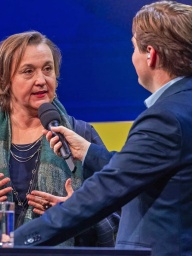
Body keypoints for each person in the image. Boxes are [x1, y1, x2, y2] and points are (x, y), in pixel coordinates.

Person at [14, 1, 192, 255]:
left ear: (151, 54)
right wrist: (88, 152)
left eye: (133, 47)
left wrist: (13, 242)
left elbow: (106, 190)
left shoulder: (165, 118)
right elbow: (152, 170)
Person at [0, 31, 119, 247]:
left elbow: (118, 219)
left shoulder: (81, 136)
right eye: (28, 71)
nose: (41, 80)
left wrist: (78, 213)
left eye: (48, 69)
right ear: (6, 80)